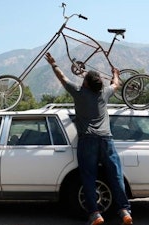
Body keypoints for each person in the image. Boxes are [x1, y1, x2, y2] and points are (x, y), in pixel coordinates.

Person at [44, 52, 133, 225]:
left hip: (88, 140)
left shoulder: (79, 92)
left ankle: (95, 214)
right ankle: (124, 211)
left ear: (85, 83)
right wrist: (115, 73)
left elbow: (62, 77)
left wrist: (53, 64)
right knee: (115, 176)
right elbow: (116, 84)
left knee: (88, 177)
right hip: (106, 139)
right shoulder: (104, 93)